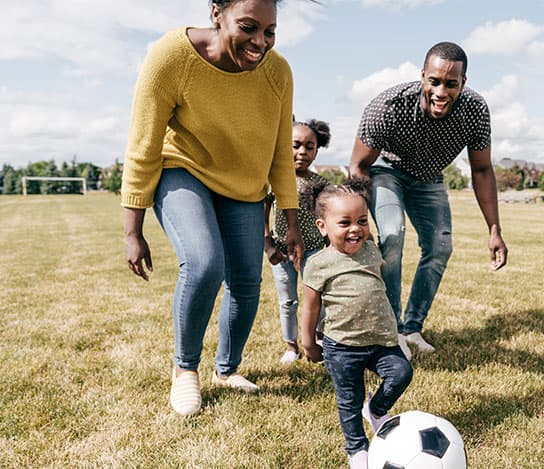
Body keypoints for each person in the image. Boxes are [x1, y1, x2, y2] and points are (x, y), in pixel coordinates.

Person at [121, 0, 304, 416]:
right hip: (183, 169)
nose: (260, 43)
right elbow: (144, 144)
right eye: (249, 27)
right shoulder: (172, 56)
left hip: (244, 184)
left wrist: (290, 220)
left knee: (245, 281)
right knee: (204, 263)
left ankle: (227, 369)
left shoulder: (278, 72)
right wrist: (132, 229)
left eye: (270, 32)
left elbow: (280, 153)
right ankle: (185, 370)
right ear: (216, 12)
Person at [349, 41, 508, 358]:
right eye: (434, 81)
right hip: (386, 171)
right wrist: (357, 220)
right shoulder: (389, 106)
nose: (441, 91)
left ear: (463, 82)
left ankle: (412, 328)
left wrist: (494, 229)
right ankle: (391, 331)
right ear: (423, 76)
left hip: (429, 177)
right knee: (392, 235)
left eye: (451, 84)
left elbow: (481, 169)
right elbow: (359, 165)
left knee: (440, 246)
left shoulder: (474, 111)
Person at [300, 177, 413, 469]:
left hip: (381, 341)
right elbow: (310, 307)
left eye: (362, 220)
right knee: (349, 400)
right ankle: (357, 449)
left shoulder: (371, 251)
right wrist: (308, 342)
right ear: (322, 227)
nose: (355, 229)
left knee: (401, 373)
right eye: (345, 223)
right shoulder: (318, 264)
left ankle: (376, 410)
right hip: (342, 346)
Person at [264, 119, 331, 364]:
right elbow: (263, 210)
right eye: (295, 145)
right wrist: (267, 244)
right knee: (288, 301)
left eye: (309, 147)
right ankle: (291, 346)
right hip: (281, 254)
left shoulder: (320, 183)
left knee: (318, 297)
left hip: (314, 251)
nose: (302, 152)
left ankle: (317, 338)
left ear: (316, 149)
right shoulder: (274, 179)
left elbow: (331, 213)